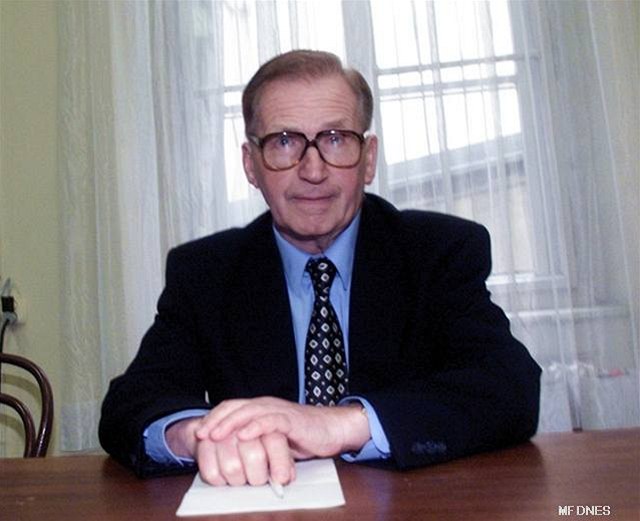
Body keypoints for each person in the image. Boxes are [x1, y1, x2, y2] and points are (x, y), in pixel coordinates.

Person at [99, 50, 541, 486]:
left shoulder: (437, 252)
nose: (313, 170)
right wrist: (197, 435)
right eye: (284, 142)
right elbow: (131, 402)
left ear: (368, 159)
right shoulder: (206, 272)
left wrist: (338, 425)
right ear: (251, 165)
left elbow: (509, 386)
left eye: (335, 139)